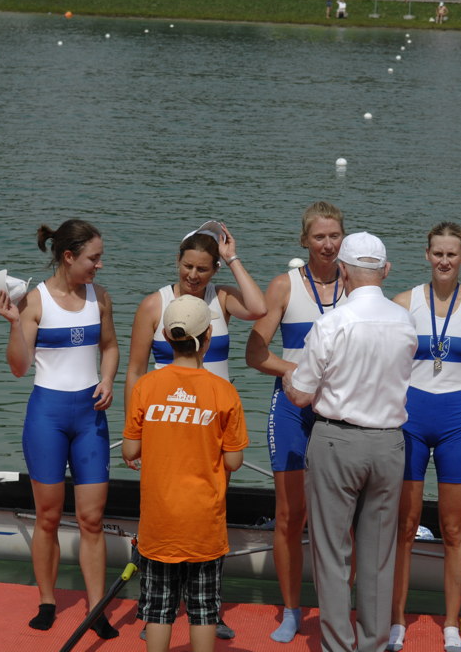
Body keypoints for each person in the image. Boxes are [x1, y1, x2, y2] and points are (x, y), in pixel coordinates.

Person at [125, 220, 265, 639]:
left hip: (212, 429)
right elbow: (135, 370)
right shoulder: (155, 305)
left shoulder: (222, 300)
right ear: (177, 262)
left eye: (203, 269)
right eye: (187, 266)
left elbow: (258, 309)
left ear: (214, 270)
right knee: (168, 517)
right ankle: (160, 609)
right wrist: (137, 432)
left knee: (204, 519)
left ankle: (205, 609)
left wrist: (234, 257)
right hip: (167, 427)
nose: (192, 276)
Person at [283, 232, 418, 652]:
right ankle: (374, 644)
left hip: (338, 441)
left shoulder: (333, 322)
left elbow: (302, 394)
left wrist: (288, 375)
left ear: (342, 271)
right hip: (389, 443)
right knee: (378, 557)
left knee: (332, 552)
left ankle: (338, 646)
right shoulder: (406, 320)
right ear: (386, 271)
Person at [0, 219, 120, 638]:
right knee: (47, 517)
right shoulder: (35, 301)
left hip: (90, 418)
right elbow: (17, 368)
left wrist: (108, 379)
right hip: (47, 417)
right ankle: (48, 601)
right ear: (68, 256)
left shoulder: (100, 298)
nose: (99, 266)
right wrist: (13, 323)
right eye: (93, 258)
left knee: (92, 519)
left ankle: (96, 607)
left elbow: (110, 347)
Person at [387, 222, 461, 652]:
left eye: (452, 254)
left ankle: (451, 624)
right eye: (438, 253)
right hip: (410, 421)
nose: (445, 261)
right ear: (427, 254)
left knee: (454, 529)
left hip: (457, 423)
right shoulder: (402, 303)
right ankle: (398, 620)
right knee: (406, 526)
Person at [123, 295, 249, 652]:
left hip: (159, 523)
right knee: (204, 611)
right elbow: (235, 461)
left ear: (164, 334)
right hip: (204, 524)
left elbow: (131, 450)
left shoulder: (146, 386)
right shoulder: (223, 391)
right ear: (208, 337)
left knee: (160, 612)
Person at [245, 202, 347, 643]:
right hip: (290, 410)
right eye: (319, 237)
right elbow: (255, 353)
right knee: (290, 515)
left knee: (340, 518)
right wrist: (297, 374)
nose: (328, 244)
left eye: (335, 236)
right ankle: (290, 610)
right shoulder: (284, 287)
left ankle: (337, 606)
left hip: (340, 411)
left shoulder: (357, 284)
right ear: (304, 241)